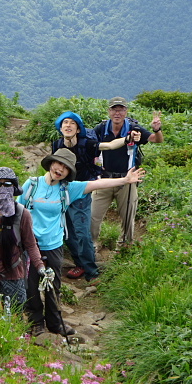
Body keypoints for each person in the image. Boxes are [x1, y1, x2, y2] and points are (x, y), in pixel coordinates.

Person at [17, 148, 145, 336]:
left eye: (65, 168)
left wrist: (125, 180)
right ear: (51, 163)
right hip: (30, 244)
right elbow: (17, 210)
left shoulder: (68, 188)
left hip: (53, 244)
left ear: (69, 172)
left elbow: (96, 185)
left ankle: (55, 322)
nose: (60, 169)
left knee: (54, 285)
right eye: (58, 164)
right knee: (30, 284)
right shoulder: (32, 185)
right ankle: (36, 322)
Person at [52, 111, 133, 282]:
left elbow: (109, 146)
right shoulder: (57, 145)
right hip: (62, 191)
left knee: (82, 233)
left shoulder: (87, 143)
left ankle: (91, 270)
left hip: (82, 191)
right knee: (67, 232)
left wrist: (126, 139)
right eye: (64, 123)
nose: (68, 126)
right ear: (60, 128)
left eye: (72, 123)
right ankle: (79, 263)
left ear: (78, 128)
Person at [91, 96, 163, 246]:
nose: (117, 113)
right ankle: (92, 248)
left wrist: (157, 129)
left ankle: (124, 247)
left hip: (127, 180)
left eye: (121, 109)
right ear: (109, 111)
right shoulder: (101, 128)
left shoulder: (134, 129)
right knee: (92, 216)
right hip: (104, 180)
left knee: (128, 217)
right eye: (114, 109)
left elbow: (157, 140)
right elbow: (91, 146)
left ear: (126, 111)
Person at [0, 167, 46, 309]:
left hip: (12, 274)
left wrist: (40, 267)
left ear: (13, 187)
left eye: (7, 184)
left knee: (14, 313)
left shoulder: (22, 214)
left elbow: (31, 245)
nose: (2, 188)